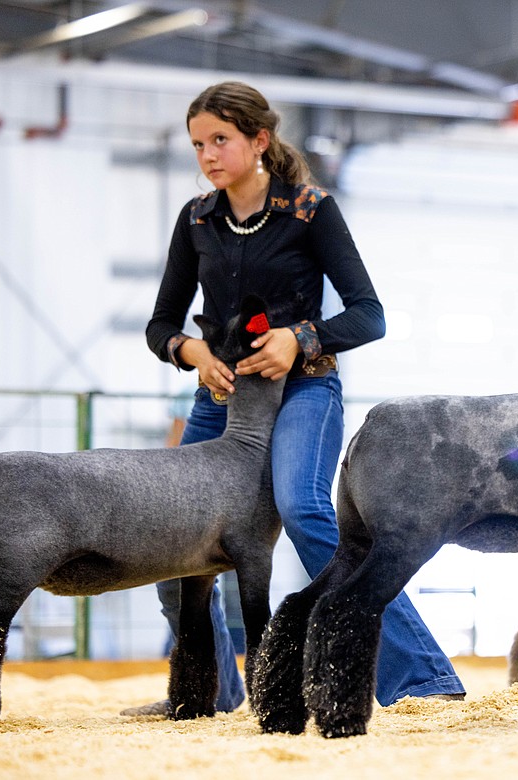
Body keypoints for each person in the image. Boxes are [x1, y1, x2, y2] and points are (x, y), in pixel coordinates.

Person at [126, 81, 465, 716]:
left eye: (220, 140)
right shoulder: (196, 218)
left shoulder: (311, 209)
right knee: (173, 536)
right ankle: (209, 695)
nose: (207, 154)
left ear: (259, 140)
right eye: (198, 143)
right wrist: (190, 352)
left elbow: (370, 316)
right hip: (221, 397)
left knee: (305, 510)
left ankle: (422, 680)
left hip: (306, 387)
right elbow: (160, 324)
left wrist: (298, 339)